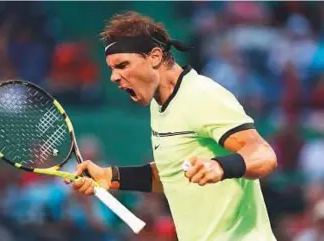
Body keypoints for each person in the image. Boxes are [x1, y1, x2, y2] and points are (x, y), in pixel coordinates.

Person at [67, 11, 278, 241]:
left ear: (155, 57)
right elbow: (172, 173)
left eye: (123, 65)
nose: (114, 77)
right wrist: (110, 176)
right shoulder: (158, 104)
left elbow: (264, 155)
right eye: (111, 69)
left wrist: (220, 166)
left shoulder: (202, 95)